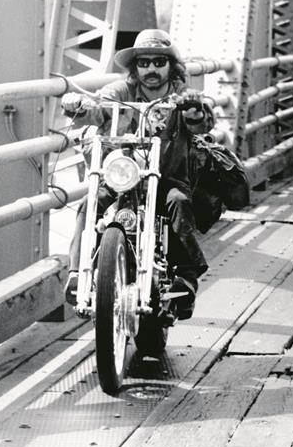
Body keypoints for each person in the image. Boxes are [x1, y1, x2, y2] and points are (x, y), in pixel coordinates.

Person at [61, 28, 212, 319]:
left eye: (158, 62)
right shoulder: (122, 90)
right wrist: (78, 106)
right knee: (88, 206)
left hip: (166, 177)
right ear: (135, 67)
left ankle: (186, 279)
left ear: (171, 66)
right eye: (144, 63)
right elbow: (98, 107)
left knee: (178, 202)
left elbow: (202, 122)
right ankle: (78, 273)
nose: (151, 69)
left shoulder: (181, 94)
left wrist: (194, 109)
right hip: (122, 177)